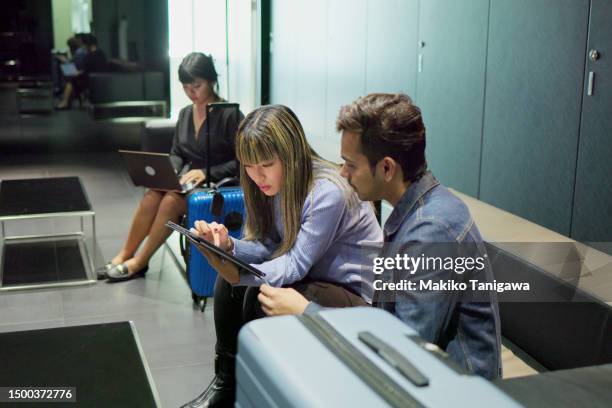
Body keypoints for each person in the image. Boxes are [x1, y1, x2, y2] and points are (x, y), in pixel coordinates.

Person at [256, 93, 503, 380]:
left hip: (456, 390)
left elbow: (404, 349)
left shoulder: (431, 232)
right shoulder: (414, 211)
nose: (342, 173)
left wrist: (307, 312)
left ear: (386, 168)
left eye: (351, 164)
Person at [183, 104, 383, 407]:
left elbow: (295, 262)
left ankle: (265, 388)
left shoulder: (327, 191)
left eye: (265, 164)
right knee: (228, 287)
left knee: (256, 292)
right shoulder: (266, 183)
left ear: (290, 156)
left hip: (352, 292)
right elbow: (268, 245)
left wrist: (241, 274)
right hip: (315, 277)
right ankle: (227, 384)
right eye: (248, 165)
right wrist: (228, 248)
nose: (256, 175)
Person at [101, 52, 243, 282]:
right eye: (186, 87)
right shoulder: (186, 113)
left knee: (171, 200)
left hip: (219, 184)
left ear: (211, 81)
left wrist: (206, 172)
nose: (191, 93)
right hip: (190, 181)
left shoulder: (229, 114)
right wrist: (172, 171)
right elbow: (178, 151)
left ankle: (139, 262)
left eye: (197, 85)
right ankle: (126, 253)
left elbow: (241, 162)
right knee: (152, 195)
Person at [56, 34, 107, 109]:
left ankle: (65, 101)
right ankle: (66, 100)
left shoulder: (89, 56)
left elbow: (85, 71)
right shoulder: (101, 53)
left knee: (70, 80)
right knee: (72, 77)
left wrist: (77, 73)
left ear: (88, 44)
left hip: (90, 79)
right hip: (97, 77)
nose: (84, 47)